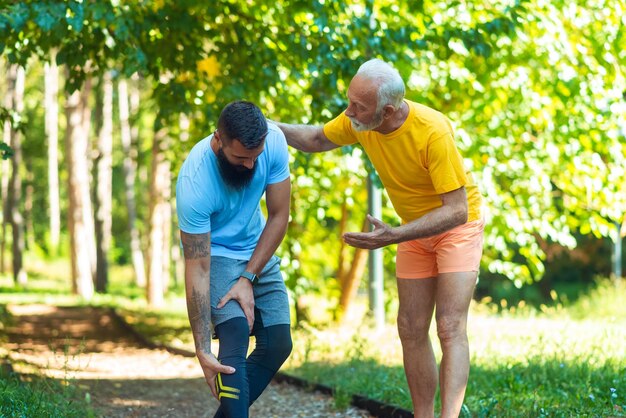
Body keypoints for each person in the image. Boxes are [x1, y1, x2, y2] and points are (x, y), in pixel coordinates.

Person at [275, 59, 484, 418]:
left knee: (449, 327)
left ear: (386, 111)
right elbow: (315, 138)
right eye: (349, 101)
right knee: (410, 328)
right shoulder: (360, 122)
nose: (349, 111)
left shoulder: (432, 131)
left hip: (455, 229)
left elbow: (457, 210)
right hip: (412, 229)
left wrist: (394, 236)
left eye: (358, 106)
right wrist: (267, 127)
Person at [176, 101, 293, 418]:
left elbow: (280, 215)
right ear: (218, 140)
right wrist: (202, 348)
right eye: (241, 158)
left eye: (256, 157)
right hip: (216, 255)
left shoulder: (275, 141)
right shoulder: (194, 182)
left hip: (258, 249)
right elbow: (198, 269)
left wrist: (248, 278)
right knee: (235, 334)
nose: (251, 166)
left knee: (279, 343)